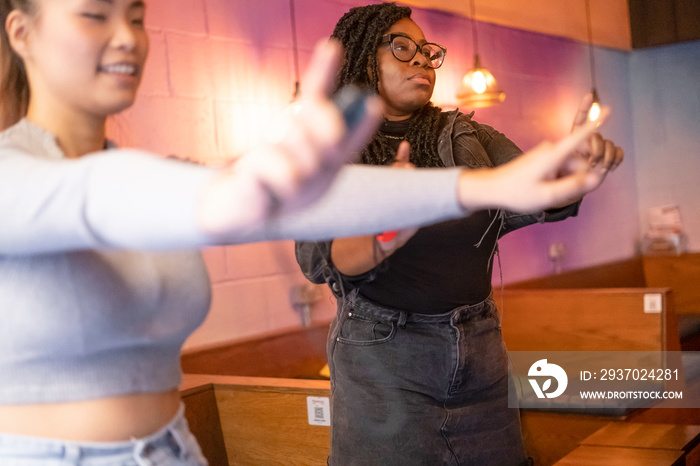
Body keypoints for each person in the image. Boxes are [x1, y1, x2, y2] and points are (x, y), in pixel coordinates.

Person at [0, 0, 613, 464]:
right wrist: (266, 183)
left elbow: (304, 200)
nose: (125, 37)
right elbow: (163, 196)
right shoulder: (15, 176)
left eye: (135, 16)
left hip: (172, 448)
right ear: (21, 32)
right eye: (93, 16)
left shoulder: (163, 176)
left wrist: (491, 187)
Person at [295, 3, 625, 465]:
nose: (420, 60)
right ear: (361, 59)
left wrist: (573, 164)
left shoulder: (469, 135)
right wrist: (390, 227)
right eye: (401, 47)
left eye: (427, 51)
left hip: (480, 347)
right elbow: (324, 260)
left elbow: (539, 191)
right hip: (386, 358)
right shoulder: (333, 148)